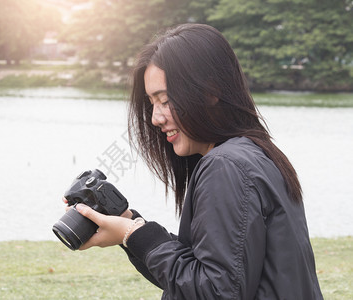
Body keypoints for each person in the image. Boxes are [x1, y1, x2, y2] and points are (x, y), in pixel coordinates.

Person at [71, 24, 323, 299]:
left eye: (165, 100)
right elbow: (203, 276)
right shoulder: (253, 154)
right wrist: (131, 226)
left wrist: (132, 233)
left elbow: (217, 292)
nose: (155, 118)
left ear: (210, 91)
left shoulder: (226, 166)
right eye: (152, 103)